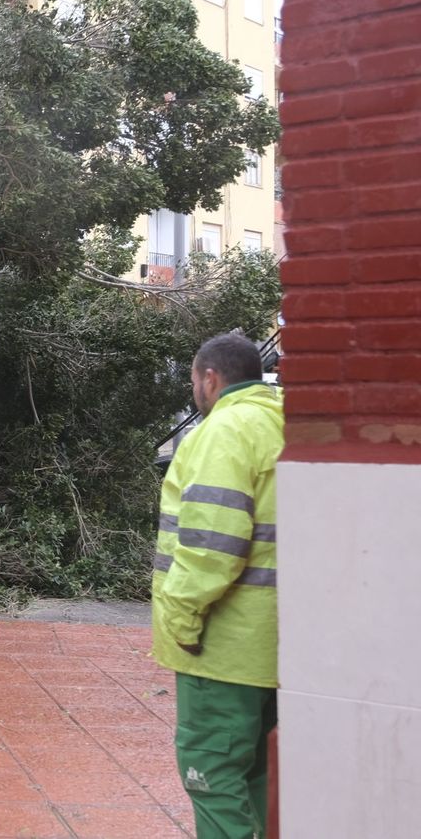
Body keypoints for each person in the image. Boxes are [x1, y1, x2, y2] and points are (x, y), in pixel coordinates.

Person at [152, 332, 283, 839]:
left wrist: (181, 618)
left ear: (210, 377)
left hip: (222, 643)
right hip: (270, 643)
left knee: (209, 770)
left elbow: (211, 543)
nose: (194, 391)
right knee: (254, 769)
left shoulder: (224, 430)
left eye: (192, 380)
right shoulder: (279, 423)